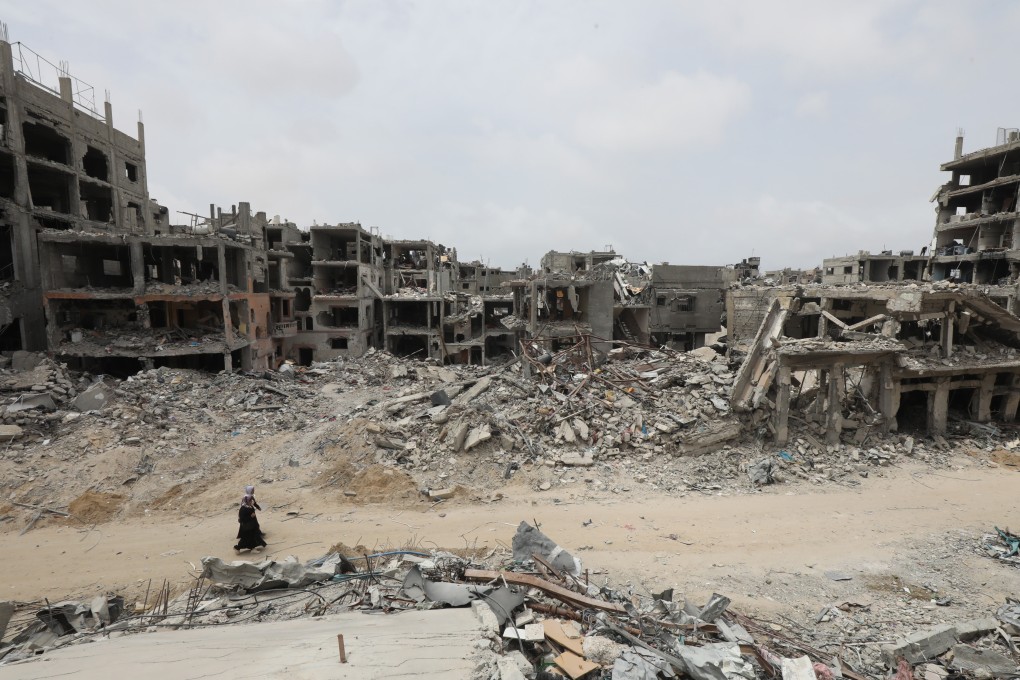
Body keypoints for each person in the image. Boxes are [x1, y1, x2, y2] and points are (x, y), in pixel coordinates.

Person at [234, 485, 267, 552]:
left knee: (254, 535)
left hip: (252, 524)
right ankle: (238, 548)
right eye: (250, 500)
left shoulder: (249, 505)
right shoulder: (243, 508)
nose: (252, 501)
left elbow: (254, 504)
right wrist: (250, 516)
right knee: (246, 538)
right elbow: (242, 519)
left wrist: (257, 508)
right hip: (247, 526)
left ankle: (253, 548)